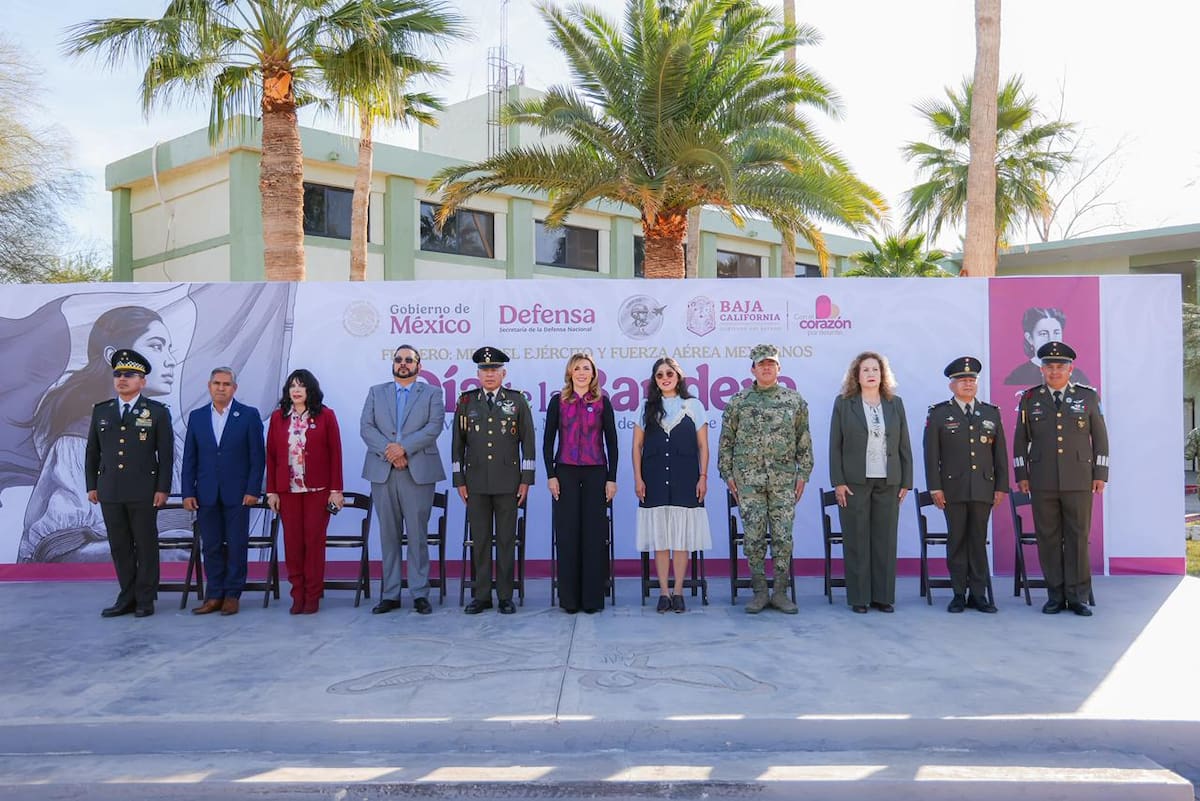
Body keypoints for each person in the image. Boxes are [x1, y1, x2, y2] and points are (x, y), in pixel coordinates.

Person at [22, 306, 179, 563]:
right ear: (113, 357)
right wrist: (162, 553)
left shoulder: (166, 426)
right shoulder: (76, 441)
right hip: (86, 590)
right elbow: (58, 551)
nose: (170, 360)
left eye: (169, 348)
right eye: (157, 346)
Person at [1012, 341, 1108, 617]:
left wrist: (1100, 474)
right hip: (1042, 481)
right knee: (1049, 538)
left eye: (1060, 366)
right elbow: (1020, 441)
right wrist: (1022, 474)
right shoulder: (1030, 399)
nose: (1055, 371)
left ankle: (1077, 596)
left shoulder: (1088, 397)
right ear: (1042, 369)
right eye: (1049, 367)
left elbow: (1100, 438)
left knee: (1077, 538)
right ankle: (1055, 595)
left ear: (1070, 369)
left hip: (1079, 479)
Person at [717, 344, 813, 615]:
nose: (767, 367)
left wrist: (803, 474)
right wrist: (728, 475)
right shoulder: (739, 401)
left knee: (783, 537)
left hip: (783, 481)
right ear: (753, 369)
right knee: (754, 538)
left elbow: (804, 441)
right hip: (749, 482)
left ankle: (780, 592)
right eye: (761, 364)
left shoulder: (794, 401)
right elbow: (726, 442)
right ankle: (760, 591)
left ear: (779, 368)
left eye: (771, 363)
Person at [86, 348, 174, 618]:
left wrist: (162, 488)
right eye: (118, 374)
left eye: (130, 375)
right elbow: (92, 452)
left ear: (142, 381)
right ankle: (127, 597)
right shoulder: (103, 411)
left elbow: (167, 454)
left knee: (145, 545)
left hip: (143, 491)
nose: (122, 379)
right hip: (110, 490)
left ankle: (145, 598)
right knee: (120, 546)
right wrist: (92, 485)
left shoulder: (156, 412)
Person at [360, 344, 445, 616]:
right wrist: (391, 452)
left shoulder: (432, 392)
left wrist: (404, 448)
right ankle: (391, 594)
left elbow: (433, 427)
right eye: (399, 359)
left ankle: (420, 593)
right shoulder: (376, 392)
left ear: (419, 366)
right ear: (393, 364)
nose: (403, 364)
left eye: (409, 360)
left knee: (417, 535)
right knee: (388, 535)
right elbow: (366, 427)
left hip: (417, 471)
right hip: (383, 471)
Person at [452, 347, 536, 615]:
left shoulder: (517, 401)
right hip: (475, 483)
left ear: (503, 373)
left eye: (494, 370)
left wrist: (526, 481)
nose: (489, 375)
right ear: (478, 374)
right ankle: (481, 595)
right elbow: (457, 445)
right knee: (481, 540)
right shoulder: (466, 402)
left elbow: (528, 444)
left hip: (508, 483)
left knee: (505, 540)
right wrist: (459, 480)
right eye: (485, 370)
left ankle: (504, 596)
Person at [922, 356, 1009, 614]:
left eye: (972, 380)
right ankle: (959, 593)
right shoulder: (939, 414)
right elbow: (931, 455)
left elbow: (1000, 455)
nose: (967, 384)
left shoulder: (990, 413)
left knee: (978, 541)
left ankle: (979, 595)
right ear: (952, 385)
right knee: (957, 541)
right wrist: (935, 488)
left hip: (983, 488)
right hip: (953, 490)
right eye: (962, 381)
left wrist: (1001, 486)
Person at [829, 351, 913, 614]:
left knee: (885, 541)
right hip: (855, 482)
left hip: (889, 480)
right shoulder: (844, 403)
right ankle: (859, 598)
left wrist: (906, 481)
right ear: (857, 374)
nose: (871, 374)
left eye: (875, 370)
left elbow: (904, 445)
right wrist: (838, 481)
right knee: (856, 540)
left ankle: (883, 596)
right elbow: (835, 446)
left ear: (883, 374)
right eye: (865, 370)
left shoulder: (895, 403)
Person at [181, 367, 265, 617]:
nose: (221, 387)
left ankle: (232, 595)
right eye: (216, 383)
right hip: (205, 493)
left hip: (239, 494)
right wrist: (187, 492)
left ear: (234, 388)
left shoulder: (248, 415)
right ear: (209, 386)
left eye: (226, 384)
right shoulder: (197, 417)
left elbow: (257, 458)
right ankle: (214, 595)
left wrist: (253, 490)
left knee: (237, 545)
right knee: (212, 547)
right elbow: (189, 459)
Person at [633, 357, 712, 613]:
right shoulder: (646, 408)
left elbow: (703, 446)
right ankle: (664, 593)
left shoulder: (694, 406)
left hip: (685, 477)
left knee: (681, 539)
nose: (665, 378)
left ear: (678, 376)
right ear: (654, 380)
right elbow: (636, 447)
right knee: (661, 539)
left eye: (669, 373)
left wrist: (703, 476)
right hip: (654, 478)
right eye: (659, 375)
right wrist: (638, 478)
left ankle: (678, 591)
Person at [543, 353, 618, 614]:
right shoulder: (559, 401)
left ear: (594, 373)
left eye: (586, 368)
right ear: (570, 373)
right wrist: (551, 475)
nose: (582, 373)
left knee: (593, 535)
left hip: (596, 471)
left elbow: (612, 443)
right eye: (577, 368)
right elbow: (547, 441)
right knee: (567, 534)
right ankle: (569, 600)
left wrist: (612, 479)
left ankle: (592, 599)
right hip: (565, 472)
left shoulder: (602, 403)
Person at [265, 369, 344, 615]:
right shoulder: (278, 418)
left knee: (314, 543)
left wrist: (336, 491)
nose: (296, 390)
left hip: (317, 491)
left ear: (310, 390)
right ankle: (297, 594)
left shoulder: (326, 416)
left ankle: (312, 595)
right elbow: (271, 456)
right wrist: (272, 491)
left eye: (301, 386)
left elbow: (335, 454)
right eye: (292, 386)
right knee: (293, 544)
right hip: (287, 491)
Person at [1004, 307, 1090, 386]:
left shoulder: (1077, 377)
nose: (1051, 339)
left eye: (1056, 333)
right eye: (1043, 334)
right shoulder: (1017, 377)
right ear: (1030, 338)